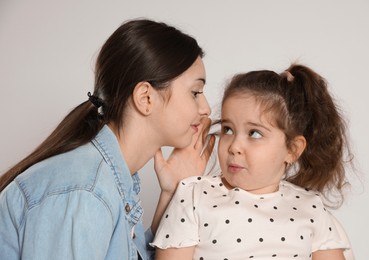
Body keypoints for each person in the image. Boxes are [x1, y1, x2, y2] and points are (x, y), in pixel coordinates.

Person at [0, 19, 216, 259]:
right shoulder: (85, 191)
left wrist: (171, 193)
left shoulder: (105, 183)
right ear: (145, 98)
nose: (206, 108)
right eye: (195, 93)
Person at [151, 64, 354, 259]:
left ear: (292, 150)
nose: (234, 146)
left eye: (254, 133)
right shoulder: (194, 196)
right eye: (228, 129)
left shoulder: (311, 208)